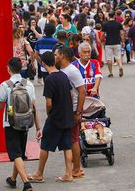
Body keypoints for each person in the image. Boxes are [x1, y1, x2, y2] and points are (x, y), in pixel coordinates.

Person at [28, 52, 75, 184]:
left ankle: (39, 173)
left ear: (43, 63)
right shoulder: (63, 75)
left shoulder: (49, 79)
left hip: (55, 117)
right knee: (67, 146)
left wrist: (49, 113)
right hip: (67, 115)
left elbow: (49, 103)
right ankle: (69, 173)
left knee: (45, 146)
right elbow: (71, 95)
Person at [0, 57, 41, 191]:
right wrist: (38, 127)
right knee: (20, 152)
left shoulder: (4, 85)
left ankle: (26, 183)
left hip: (10, 122)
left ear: (8, 69)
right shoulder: (28, 84)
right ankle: (13, 179)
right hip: (26, 121)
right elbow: (33, 106)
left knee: (15, 154)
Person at [55, 46, 86, 179]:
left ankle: (77, 169)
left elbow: (82, 91)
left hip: (73, 110)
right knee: (70, 139)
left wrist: (78, 111)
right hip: (66, 110)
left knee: (73, 140)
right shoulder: (62, 70)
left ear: (62, 56)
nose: (54, 56)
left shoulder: (72, 71)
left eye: (56, 54)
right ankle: (74, 167)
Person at [101, 11, 125, 78]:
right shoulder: (118, 24)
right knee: (118, 56)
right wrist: (123, 41)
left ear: (108, 16)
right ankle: (120, 66)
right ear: (114, 16)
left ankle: (111, 73)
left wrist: (101, 41)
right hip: (117, 42)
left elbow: (102, 34)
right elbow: (122, 33)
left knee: (109, 58)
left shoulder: (105, 24)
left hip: (108, 43)